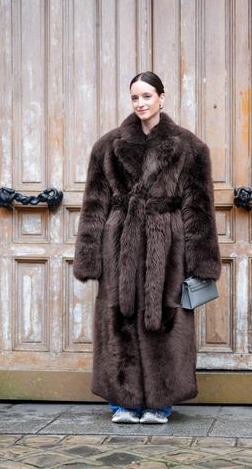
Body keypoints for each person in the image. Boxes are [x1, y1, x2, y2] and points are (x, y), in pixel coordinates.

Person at [73, 71, 221, 424]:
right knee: (118, 317)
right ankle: (123, 401)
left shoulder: (190, 147)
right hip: (119, 243)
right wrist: (89, 255)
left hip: (168, 246)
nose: (140, 104)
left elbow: (199, 207)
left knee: (166, 319)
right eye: (135, 98)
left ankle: (160, 402)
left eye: (147, 96)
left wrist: (200, 262)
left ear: (162, 98)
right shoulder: (107, 146)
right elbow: (95, 203)